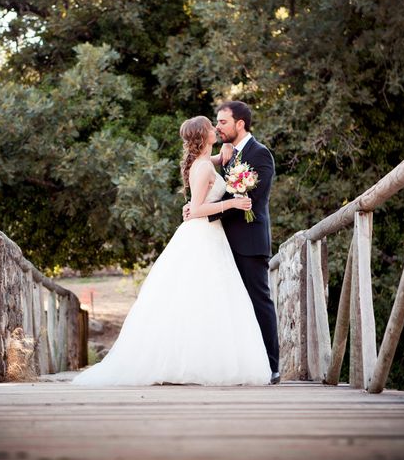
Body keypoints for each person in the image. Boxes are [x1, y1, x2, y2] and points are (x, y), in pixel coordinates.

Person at [72, 116, 270, 386]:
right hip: (201, 236)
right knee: (198, 298)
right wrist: (233, 204)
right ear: (203, 135)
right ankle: (187, 363)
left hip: (211, 237)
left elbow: (210, 168)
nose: (216, 129)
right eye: (212, 127)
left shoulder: (204, 162)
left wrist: (225, 154)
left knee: (205, 301)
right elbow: (196, 210)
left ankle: (201, 360)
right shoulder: (200, 168)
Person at [185, 101, 280, 385]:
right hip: (219, 243)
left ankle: (271, 366)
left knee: (259, 302)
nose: (218, 127)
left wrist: (200, 207)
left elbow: (255, 198)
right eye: (216, 123)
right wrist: (196, 207)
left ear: (240, 124)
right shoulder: (225, 154)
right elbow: (206, 183)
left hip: (249, 242)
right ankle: (237, 365)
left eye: (223, 122)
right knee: (227, 306)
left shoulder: (260, 154)